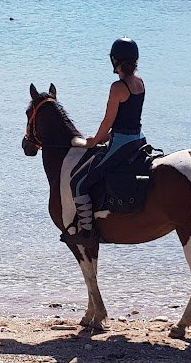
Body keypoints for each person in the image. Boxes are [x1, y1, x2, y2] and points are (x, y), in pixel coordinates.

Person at [60, 37, 147, 245]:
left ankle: (88, 232)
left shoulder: (117, 87)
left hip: (121, 144)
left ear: (114, 60)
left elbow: (108, 121)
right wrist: (105, 137)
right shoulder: (140, 82)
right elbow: (128, 119)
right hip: (139, 140)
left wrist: (93, 141)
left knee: (79, 183)